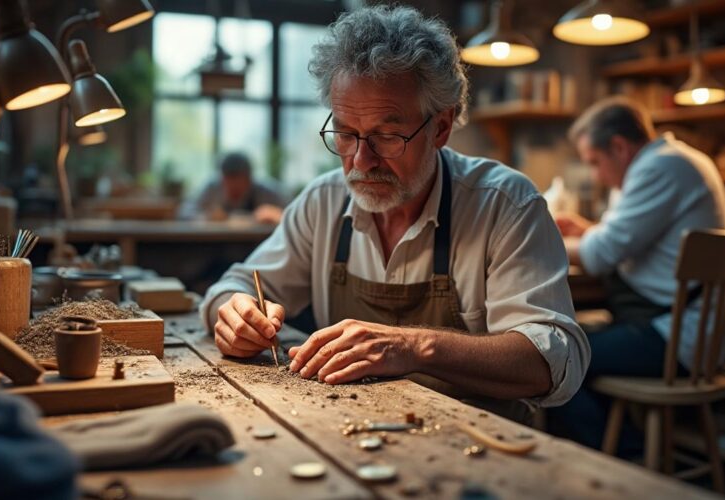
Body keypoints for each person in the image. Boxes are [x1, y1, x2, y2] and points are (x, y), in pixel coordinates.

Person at [200, 5, 589, 416]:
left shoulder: (504, 205)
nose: (361, 161)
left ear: (441, 127)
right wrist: (236, 314)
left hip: (481, 437)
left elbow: (552, 361)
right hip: (350, 428)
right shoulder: (324, 202)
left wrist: (414, 347)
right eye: (345, 134)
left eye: (386, 136)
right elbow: (236, 285)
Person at [551, 97, 725, 450]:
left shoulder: (659, 168)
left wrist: (543, 239)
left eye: (595, 162)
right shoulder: (672, 160)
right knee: (566, 342)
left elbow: (600, 256)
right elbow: (625, 239)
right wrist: (588, 230)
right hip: (668, 324)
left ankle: (624, 457)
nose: (596, 175)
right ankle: (624, 446)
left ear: (619, 147)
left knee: (554, 359)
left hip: (674, 337)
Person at [178, 152, 286, 224]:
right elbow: (184, 212)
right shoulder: (212, 188)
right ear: (222, 179)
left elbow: (290, 215)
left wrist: (278, 216)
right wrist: (206, 217)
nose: (234, 188)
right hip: (216, 244)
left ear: (249, 179)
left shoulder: (268, 192)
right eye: (229, 182)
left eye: (239, 183)